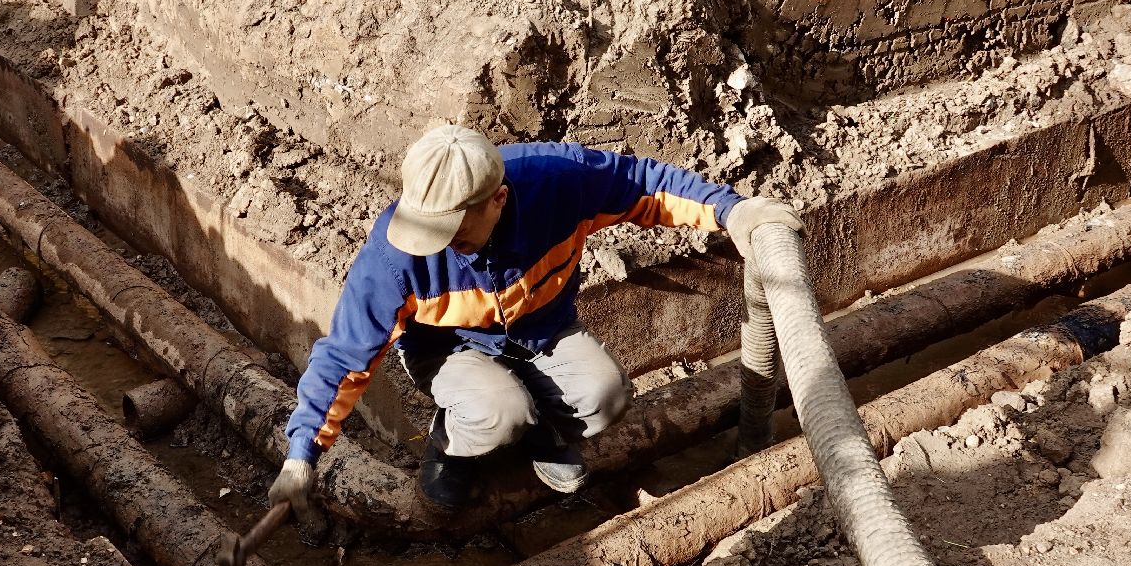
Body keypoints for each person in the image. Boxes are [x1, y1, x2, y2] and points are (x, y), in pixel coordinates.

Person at [268, 125, 800, 516]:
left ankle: (542, 428)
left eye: (451, 232)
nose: (438, 246)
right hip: (450, 350)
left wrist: (733, 210)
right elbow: (343, 358)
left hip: (542, 329)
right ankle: (451, 446)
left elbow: (644, 184)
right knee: (498, 412)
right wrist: (301, 457)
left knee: (606, 395)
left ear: (497, 200)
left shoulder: (557, 181)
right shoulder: (392, 257)